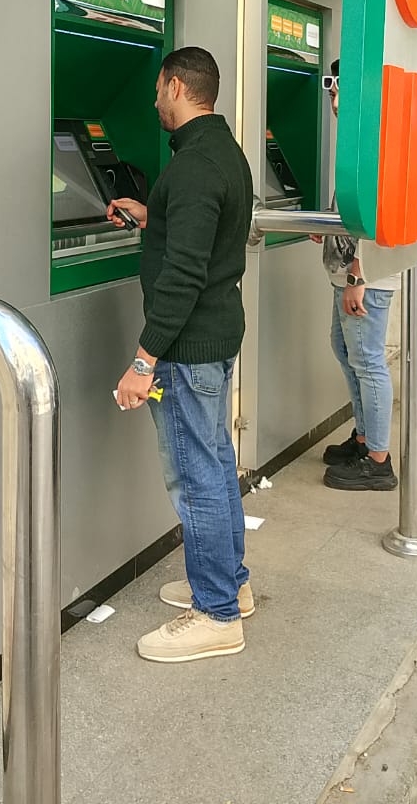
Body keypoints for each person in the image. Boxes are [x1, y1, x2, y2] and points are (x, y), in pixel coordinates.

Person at [107, 46, 254, 663]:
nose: (153, 102)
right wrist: (155, 218)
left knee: (195, 477)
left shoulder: (194, 166)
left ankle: (216, 614)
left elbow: (185, 274)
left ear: (173, 86)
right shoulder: (222, 152)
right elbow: (202, 238)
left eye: (157, 90)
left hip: (187, 350)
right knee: (215, 463)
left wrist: (143, 362)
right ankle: (231, 584)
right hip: (213, 338)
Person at [316, 58, 399, 491]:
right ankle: (365, 439)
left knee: (367, 360)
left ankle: (379, 462)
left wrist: (357, 275)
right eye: (331, 89)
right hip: (349, 271)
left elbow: (381, 213)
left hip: (365, 276)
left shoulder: (376, 143)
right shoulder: (360, 138)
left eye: (339, 89)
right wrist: (326, 226)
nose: (334, 98)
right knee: (345, 349)